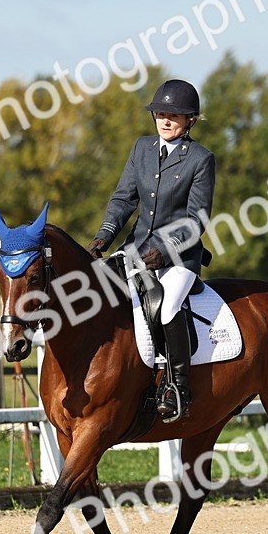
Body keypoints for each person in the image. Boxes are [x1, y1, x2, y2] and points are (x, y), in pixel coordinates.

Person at [86, 79, 215, 422]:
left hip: (180, 256)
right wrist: (104, 236)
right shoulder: (142, 148)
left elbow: (197, 218)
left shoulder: (201, 159)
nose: (165, 119)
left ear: (190, 120)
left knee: (168, 306)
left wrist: (164, 250)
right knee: (98, 295)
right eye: (160, 113)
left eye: (174, 114)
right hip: (135, 249)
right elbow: (123, 199)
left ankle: (177, 389)